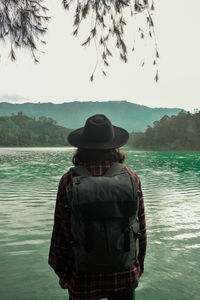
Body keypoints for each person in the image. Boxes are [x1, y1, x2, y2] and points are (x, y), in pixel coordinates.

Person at [48, 114, 147, 300]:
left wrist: (64, 274)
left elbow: (61, 234)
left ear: (82, 146)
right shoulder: (131, 177)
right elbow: (141, 228)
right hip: (124, 274)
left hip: (82, 276)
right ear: (114, 146)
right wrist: (137, 266)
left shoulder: (69, 180)